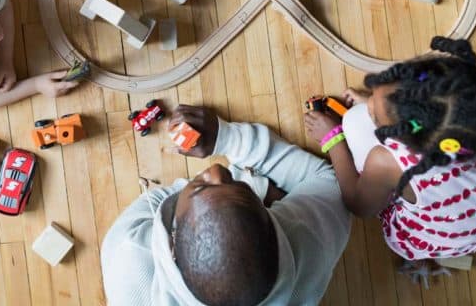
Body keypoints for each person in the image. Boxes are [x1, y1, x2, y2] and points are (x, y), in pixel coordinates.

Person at [101, 104, 350, 306]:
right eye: (243, 190)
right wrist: (228, 140)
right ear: (275, 227)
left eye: (201, 186)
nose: (216, 169)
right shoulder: (308, 242)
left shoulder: (127, 252)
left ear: (171, 243)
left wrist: (245, 184)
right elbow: (332, 182)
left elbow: (157, 202)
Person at [303, 37, 476, 276]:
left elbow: (358, 205)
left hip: (436, 237)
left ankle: (420, 257)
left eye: (377, 118)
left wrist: (332, 139)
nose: (369, 101)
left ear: (412, 144)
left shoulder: (390, 161)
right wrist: (383, 106)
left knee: (352, 119)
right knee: (360, 114)